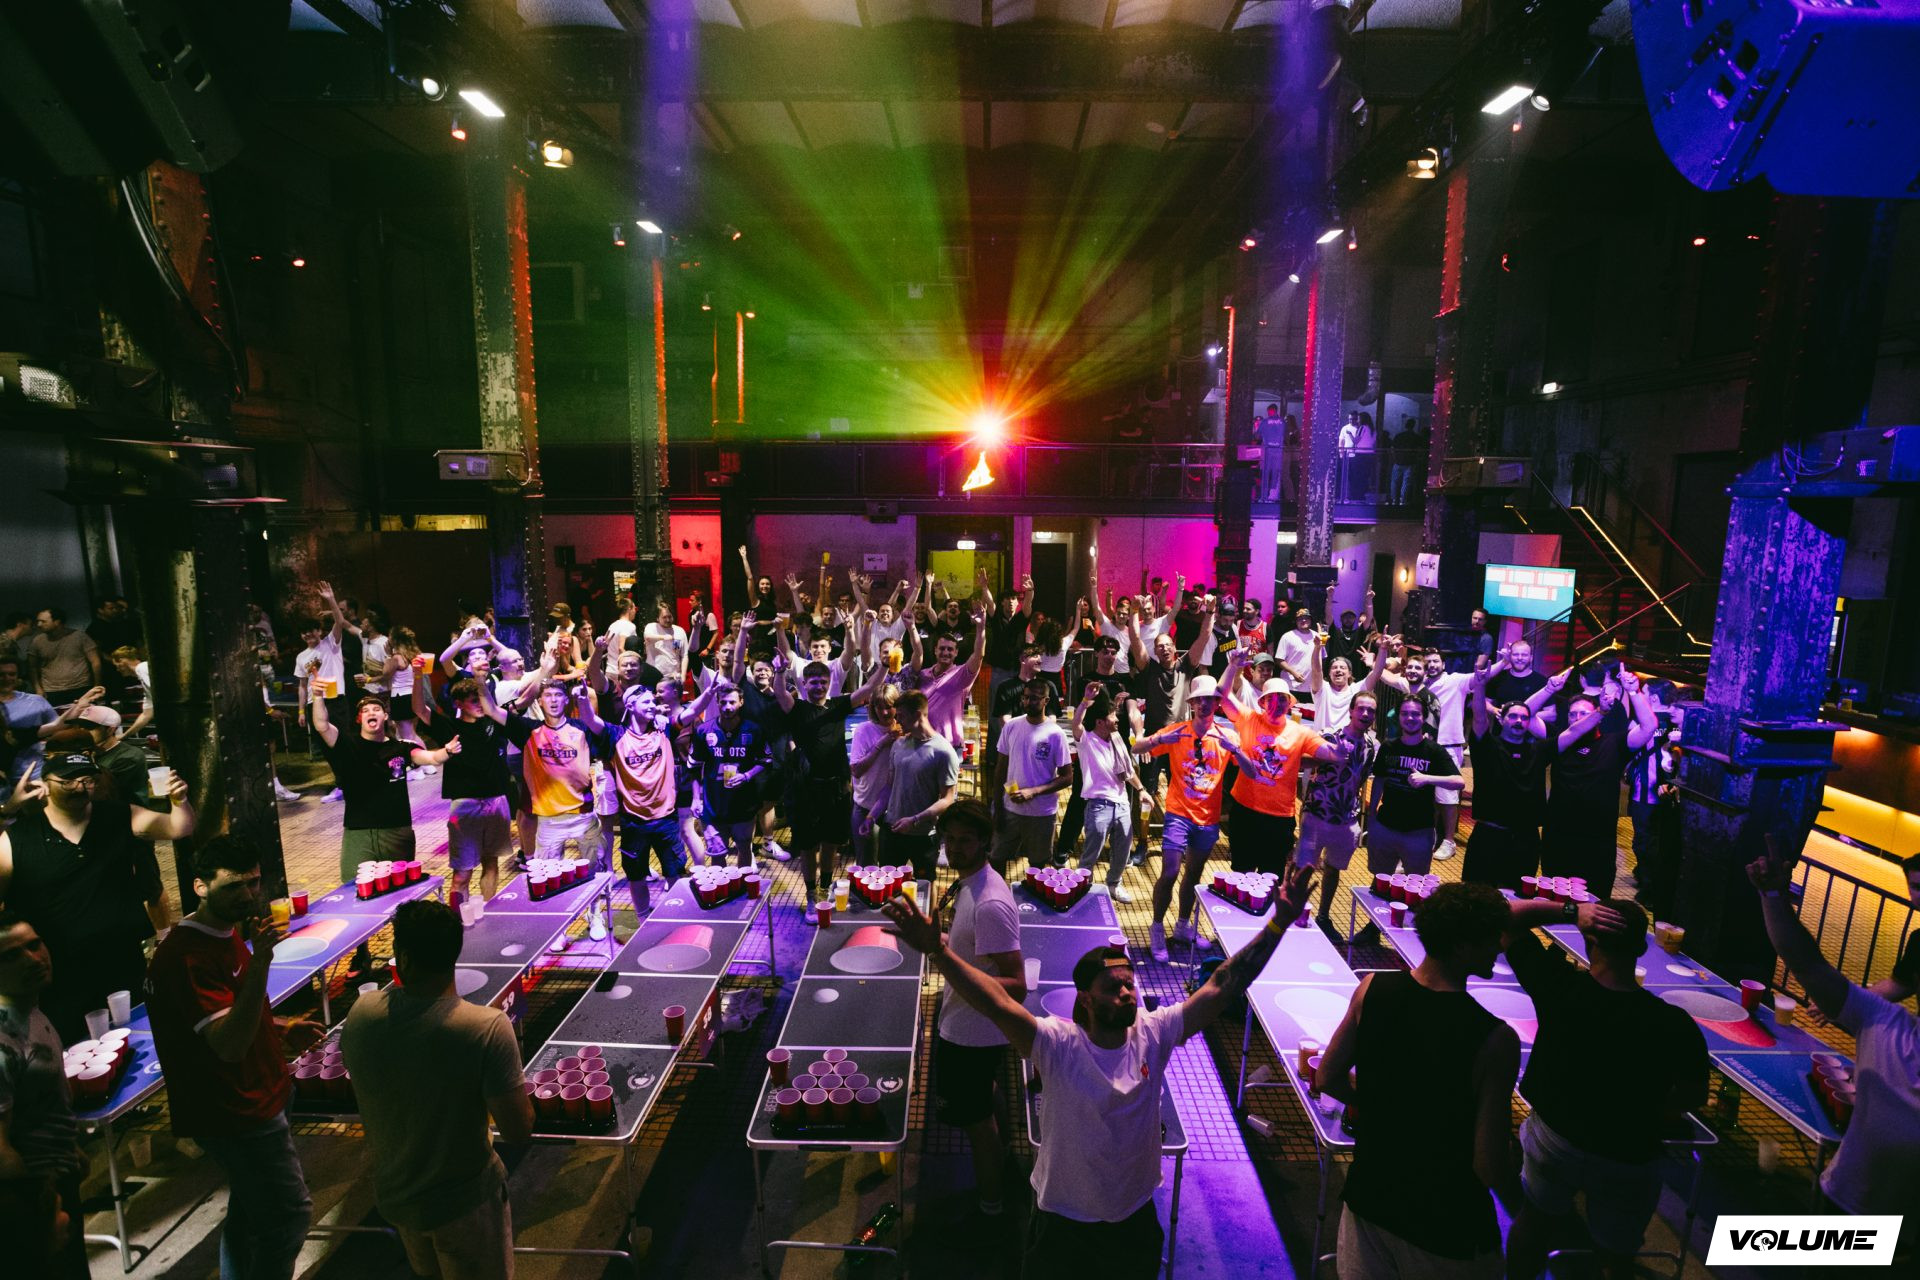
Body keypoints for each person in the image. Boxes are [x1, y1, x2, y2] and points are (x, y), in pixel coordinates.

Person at [882, 863, 1320, 1278]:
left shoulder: (1155, 1032)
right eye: (1113, 988)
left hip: (1133, 1218)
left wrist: (1278, 924)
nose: (1127, 993)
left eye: (1130, 984)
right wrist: (939, 950)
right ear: (1086, 1000)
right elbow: (995, 1002)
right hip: (1063, 1223)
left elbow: (1223, 985)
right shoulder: (1056, 1044)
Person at [1500, 894, 1710, 1280]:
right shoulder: (1674, 1023)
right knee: (1617, 1256)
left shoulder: (1559, 986)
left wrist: (1570, 911)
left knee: (1534, 1223)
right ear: (1641, 950)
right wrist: (1646, 1108)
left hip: (1556, 1139)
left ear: (1589, 941)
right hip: (1630, 1151)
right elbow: (1694, 1095)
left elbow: (1508, 917)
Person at [1317, 883, 1521, 1279]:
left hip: (1369, 1199)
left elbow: (1327, 1076)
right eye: (1490, 937)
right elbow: (1488, 1162)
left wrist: (1383, 1107)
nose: (1499, 947)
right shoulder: (1495, 1039)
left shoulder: (1372, 989)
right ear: (1461, 945)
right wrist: (1525, 1213)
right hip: (1446, 1227)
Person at [147, 835, 325, 1280]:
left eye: (253, 883)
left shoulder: (225, 933)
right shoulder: (186, 956)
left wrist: (279, 1026)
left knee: (249, 1210)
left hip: (263, 1092)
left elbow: (228, 1011)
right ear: (200, 886)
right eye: (233, 886)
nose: (247, 895)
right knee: (288, 1217)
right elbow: (228, 1045)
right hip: (237, 1111)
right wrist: (261, 963)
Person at [339, 900, 533, 1280]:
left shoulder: (362, 1013)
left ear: (403, 957)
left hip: (398, 1199)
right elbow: (518, 1129)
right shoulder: (485, 1028)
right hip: (466, 1203)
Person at [1749, 832, 1919, 1221]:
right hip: (1846, 1209)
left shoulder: (1884, 1026)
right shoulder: (1885, 1025)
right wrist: (1772, 896)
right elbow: (1807, 963)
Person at [0, 745, 188, 1041]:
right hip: (62, 971)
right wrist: (8, 810)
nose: (79, 788)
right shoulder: (18, 838)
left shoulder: (117, 815)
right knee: (75, 1044)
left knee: (141, 1035)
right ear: (45, 785)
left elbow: (179, 827)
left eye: (87, 780)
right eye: (67, 781)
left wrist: (179, 800)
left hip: (122, 957)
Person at [926, 801, 1026, 1232]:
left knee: (977, 1125)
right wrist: (944, 941)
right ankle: (1004, 1161)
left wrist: (939, 952)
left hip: (971, 1032)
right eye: (949, 839)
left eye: (965, 840)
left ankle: (990, 1211)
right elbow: (974, 951)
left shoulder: (990, 903)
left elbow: (1016, 985)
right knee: (985, 1094)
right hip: (969, 1024)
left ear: (986, 842)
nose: (955, 848)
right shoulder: (971, 883)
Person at [1135, 675, 1273, 962]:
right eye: (1199, 700)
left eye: (1209, 699)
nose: (1204, 704)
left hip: (1208, 819)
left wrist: (1236, 750)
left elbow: (1252, 772)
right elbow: (1138, 748)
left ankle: (1183, 926)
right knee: (1170, 872)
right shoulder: (1178, 731)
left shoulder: (1227, 735)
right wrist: (1160, 738)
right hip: (1178, 814)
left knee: (1194, 875)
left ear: (1217, 703)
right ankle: (1157, 927)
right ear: (1192, 704)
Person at [0, 909, 87, 1279]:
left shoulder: (31, 1011)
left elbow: (42, 1100)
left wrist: (72, 1148)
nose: (33, 959)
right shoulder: (3, 1042)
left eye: (34, 945)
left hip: (58, 1178)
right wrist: (41, 1205)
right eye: (11, 956)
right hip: (37, 1198)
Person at [771, 650, 885, 904]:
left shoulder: (837, 706)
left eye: (823, 682)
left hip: (835, 788)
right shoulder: (798, 708)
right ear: (804, 684)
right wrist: (779, 671)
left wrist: (885, 666)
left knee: (831, 843)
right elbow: (780, 694)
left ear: (830, 683)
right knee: (808, 847)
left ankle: (824, 887)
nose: (819, 686)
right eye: (814, 682)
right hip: (806, 790)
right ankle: (811, 892)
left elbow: (869, 688)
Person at [1219, 648, 1342, 878]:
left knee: (1271, 877)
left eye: (1282, 698)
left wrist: (1343, 747)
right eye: (1271, 698)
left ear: (1289, 704)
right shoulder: (1249, 719)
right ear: (1263, 702)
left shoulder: (1300, 732)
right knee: (1240, 874)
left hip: (1279, 817)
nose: (1276, 702)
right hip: (1245, 811)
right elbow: (1222, 694)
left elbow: (1333, 754)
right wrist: (1232, 666)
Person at [1541, 671, 1658, 897]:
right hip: (1558, 836)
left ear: (1598, 716)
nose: (1578, 718)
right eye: (1573, 714)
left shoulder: (1614, 742)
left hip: (1597, 840)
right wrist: (1549, 690)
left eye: (1584, 713)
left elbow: (1648, 727)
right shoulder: (1560, 742)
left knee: (1595, 901)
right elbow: (1527, 717)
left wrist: (1633, 692)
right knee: (1554, 902)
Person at [1459, 661, 1564, 891]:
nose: (1519, 721)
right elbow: (1479, 716)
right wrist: (1480, 684)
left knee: (1518, 898)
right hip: (1489, 835)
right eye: (1513, 716)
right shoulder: (1487, 747)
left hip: (1525, 840)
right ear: (1501, 719)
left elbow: (1573, 734)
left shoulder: (1539, 750)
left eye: (1524, 718)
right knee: (1476, 895)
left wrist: (1601, 712)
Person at [412, 677, 515, 908]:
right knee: (462, 873)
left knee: (491, 863)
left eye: (480, 699)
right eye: (473, 701)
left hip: (496, 801)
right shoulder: (450, 727)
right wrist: (418, 674)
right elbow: (419, 709)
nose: (480, 704)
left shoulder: (494, 721)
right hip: (466, 806)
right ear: (458, 704)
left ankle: (488, 912)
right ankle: (457, 920)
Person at [1296, 689, 1382, 928]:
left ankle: (1323, 916)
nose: (1365, 714)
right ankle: (1293, 915)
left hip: (1345, 820)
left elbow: (1360, 780)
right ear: (1351, 710)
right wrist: (1329, 757)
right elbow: (1301, 761)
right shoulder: (1329, 737)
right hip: (1317, 815)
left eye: (1371, 711)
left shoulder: (1370, 746)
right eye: (1361, 709)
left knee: (1333, 870)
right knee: (1303, 869)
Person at [1364, 698, 1462, 878]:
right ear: (1399, 717)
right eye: (1405, 713)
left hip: (1419, 831)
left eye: (1416, 714)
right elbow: (1379, 781)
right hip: (1386, 826)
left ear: (1424, 718)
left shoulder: (1434, 751)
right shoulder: (1388, 747)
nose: (1410, 718)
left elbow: (1458, 781)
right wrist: (1371, 817)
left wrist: (1427, 778)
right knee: (1380, 880)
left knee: (1415, 883)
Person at [870, 689, 960, 881]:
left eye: (901, 716)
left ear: (918, 714)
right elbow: (889, 787)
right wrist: (872, 815)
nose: (897, 720)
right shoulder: (899, 744)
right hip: (892, 829)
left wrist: (915, 820)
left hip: (923, 834)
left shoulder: (943, 752)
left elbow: (947, 799)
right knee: (887, 883)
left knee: (926, 883)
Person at [1072, 689, 1152, 901]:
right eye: (1112, 717)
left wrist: (1142, 790)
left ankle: (1114, 884)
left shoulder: (1116, 740)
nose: (1117, 720)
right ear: (1100, 722)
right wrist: (1085, 700)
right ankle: (1083, 885)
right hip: (1098, 805)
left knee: (1123, 850)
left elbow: (1129, 772)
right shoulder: (1086, 741)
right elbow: (1076, 723)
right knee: (1091, 852)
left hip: (1122, 803)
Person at [990, 677, 1073, 877]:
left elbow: (1067, 777)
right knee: (996, 858)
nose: (1029, 702)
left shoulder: (1055, 734)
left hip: (1042, 814)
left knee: (1038, 866)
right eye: (1026, 697)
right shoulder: (1011, 726)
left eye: (1035, 698)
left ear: (1046, 701)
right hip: (1010, 810)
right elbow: (1000, 769)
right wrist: (997, 807)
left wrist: (1033, 791)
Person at [689, 685, 773, 867]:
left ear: (741, 702)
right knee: (717, 854)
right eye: (723, 702)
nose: (728, 707)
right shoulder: (704, 731)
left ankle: (742, 883)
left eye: (732, 702)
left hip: (743, 804)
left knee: (744, 848)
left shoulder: (753, 730)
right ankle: (721, 886)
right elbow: (694, 767)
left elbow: (766, 760)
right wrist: (696, 799)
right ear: (717, 702)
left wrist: (747, 776)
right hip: (713, 806)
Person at [920, 586, 988, 752]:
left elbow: (978, 654)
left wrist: (981, 627)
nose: (946, 652)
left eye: (950, 649)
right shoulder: (922, 675)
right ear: (935, 650)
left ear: (956, 652)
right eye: (942, 649)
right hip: (922, 743)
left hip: (950, 746)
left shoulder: (961, 675)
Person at [850, 686, 901, 865]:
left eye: (889, 706)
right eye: (879, 707)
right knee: (866, 866)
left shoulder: (905, 730)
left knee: (893, 867)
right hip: (865, 806)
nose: (885, 712)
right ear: (873, 708)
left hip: (895, 809)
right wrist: (882, 743)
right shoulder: (863, 730)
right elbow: (856, 770)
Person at [25, 609, 100, 709]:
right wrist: (38, 689)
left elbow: (95, 662)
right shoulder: (37, 641)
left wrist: (97, 686)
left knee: (86, 715)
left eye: (43, 621)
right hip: (52, 691)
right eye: (38, 621)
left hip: (80, 687)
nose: (39, 624)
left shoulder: (79, 637)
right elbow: (32, 667)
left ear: (57, 622)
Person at [0, 656, 55, 783]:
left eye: (11, 674)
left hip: (37, 775)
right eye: (1, 675)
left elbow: (55, 728)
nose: (7, 678)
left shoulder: (36, 701)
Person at [1273, 609, 1318, 699]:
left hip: (1311, 687)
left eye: (1306, 618)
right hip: (1290, 686)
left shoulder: (1317, 636)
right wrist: (1294, 673)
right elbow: (1279, 660)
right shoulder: (1287, 636)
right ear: (1296, 621)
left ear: (1310, 620)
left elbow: (1322, 658)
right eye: (1300, 618)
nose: (1303, 620)